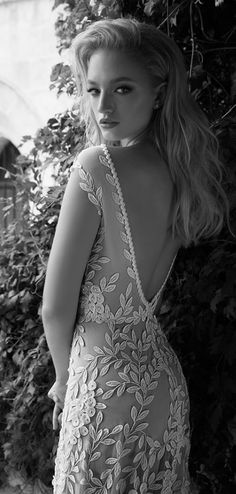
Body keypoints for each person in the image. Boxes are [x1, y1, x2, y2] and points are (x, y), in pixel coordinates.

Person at [42, 18, 229, 494]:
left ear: (159, 93)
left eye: (121, 89)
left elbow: (54, 308)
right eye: (93, 90)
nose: (103, 107)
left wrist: (65, 382)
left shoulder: (95, 166)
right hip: (162, 386)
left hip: (102, 388)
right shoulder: (180, 175)